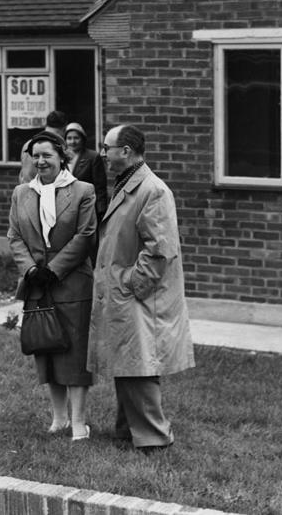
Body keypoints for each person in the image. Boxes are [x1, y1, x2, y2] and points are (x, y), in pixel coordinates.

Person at [87, 125, 194, 452]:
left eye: (108, 148)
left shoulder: (152, 190)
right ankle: (128, 429)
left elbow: (160, 249)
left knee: (139, 365)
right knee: (128, 361)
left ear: (127, 151)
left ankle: (153, 438)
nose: (103, 154)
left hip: (140, 296)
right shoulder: (129, 185)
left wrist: (132, 283)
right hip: (128, 293)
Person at [8, 130, 97, 441]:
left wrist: (54, 270)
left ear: (62, 157)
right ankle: (58, 418)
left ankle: (78, 422)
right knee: (46, 349)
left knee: (74, 353)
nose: (41, 161)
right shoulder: (22, 192)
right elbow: (15, 236)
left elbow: (85, 236)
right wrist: (31, 269)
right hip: (36, 284)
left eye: (47, 155)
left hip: (72, 283)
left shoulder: (83, 190)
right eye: (36, 155)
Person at [64, 122, 108, 218]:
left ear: (83, 139)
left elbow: (100, 187)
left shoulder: (92, 157)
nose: (72, 142)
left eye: (76, 138)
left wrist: (101, 210)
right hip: (66, 208)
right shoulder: (61, 157)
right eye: (69, 138)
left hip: (87, 206)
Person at [18, 110, 67, 184]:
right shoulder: (58, 145)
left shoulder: (29, 144)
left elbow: (24, 175)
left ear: (46, 124)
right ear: (64, 128)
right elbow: (28, 176)